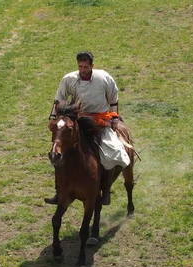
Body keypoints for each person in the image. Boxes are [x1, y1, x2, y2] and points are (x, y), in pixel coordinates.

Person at [46, 51, 130, 205]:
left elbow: (113, 99)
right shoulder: (69, 79)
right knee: (58, 153)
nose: (82, 69)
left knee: (112, 153)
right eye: (80, 66)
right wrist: (52, 118)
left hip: (100, 122)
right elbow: (58, 99)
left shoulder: (104, 78)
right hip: (77, 121)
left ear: (92, 65)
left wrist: (115, 118)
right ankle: (59, 191)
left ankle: (105, 189)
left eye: (85, 66)